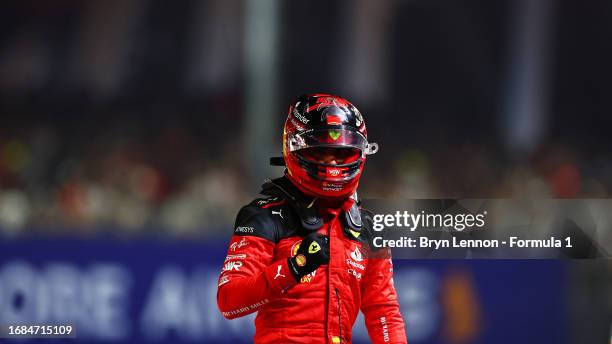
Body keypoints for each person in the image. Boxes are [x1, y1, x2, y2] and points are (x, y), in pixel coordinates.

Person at [217, 93, 407, 343]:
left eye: (341, 154)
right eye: (321, 152)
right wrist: (294, 267)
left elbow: (383, 311)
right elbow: (230, 302)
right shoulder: (264, 215)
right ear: (295, 147)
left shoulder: (368, 227)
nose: (332, 163)